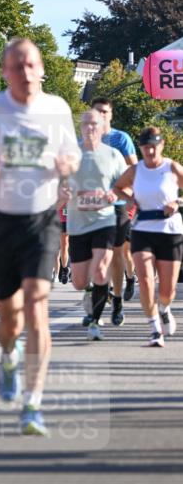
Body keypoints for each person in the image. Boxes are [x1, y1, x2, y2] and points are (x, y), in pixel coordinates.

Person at [0, 38, 80, 436]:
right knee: (9, 317)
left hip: (41, 219)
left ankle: (33, 403)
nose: (25, 73)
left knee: (38, 305)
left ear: (41, 69)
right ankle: (8, 354)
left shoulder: (57, 109)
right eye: (16, 66)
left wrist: (66, 163)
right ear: (6, 72)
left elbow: (73, 156)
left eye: (31, 65)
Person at [112, 126, 183, 347]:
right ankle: (154, 329)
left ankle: (163, 309)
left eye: (153, 147)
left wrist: (177, 202)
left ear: (161, 146)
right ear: (141, 148)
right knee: (144, 280)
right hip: (142, 229)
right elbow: (118, 187)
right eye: (145, 148)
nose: (150, 152)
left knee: (167, 289)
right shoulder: (135, 170)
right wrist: (130, 199)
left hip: (169, 230)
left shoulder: (171, 167)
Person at [63, 110, 125, 340]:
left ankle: (95, 321)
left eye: (94, 125)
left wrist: (113, 194)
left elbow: (127, 186)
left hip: (104, 220)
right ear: (80, 127)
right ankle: (89, 292)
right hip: (78, 223)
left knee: (100, 270)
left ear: (102, 128)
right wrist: (63, 191)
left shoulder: (113, 155)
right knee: (79, 281)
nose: (90, 128)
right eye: (86, 124)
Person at [91, 97, 138, 322]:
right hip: (93, 204)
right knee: (98, 255)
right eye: (97, 111)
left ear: (111, 115)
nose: (101, 115)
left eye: (105, 112)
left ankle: (118, 300)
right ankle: (99, 302)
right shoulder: (87, 139)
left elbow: (134, 168)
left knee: (119, 252)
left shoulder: (121, 138)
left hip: (118, 203)